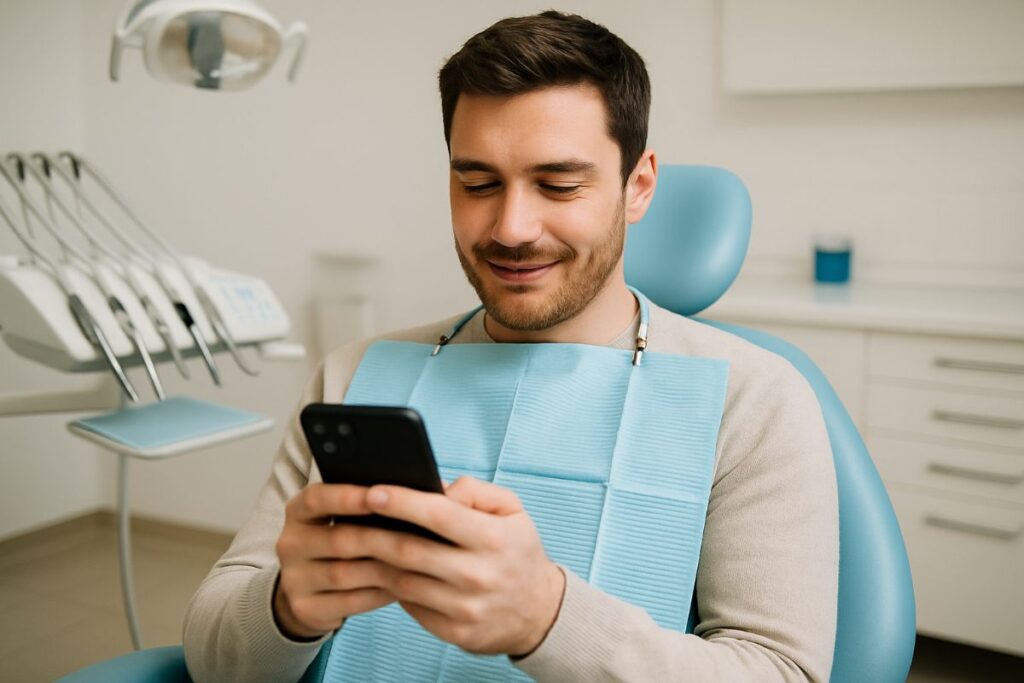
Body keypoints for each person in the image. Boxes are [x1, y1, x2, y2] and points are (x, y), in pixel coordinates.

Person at [183, 11, 838, 682]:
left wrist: (548, 619)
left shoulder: (754, 399)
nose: (512, 227)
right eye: (478, 183)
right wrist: (285, 607)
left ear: (637, 186)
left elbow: (781, 672)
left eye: (558, 184)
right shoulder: (354, 376)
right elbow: (211, 654)